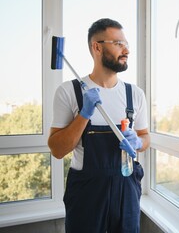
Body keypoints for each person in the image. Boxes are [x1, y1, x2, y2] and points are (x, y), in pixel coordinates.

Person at [48, 18, 150, 233]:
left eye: (127, 44)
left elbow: (145, 138)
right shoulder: (69, 91)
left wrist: (138, 141)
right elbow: (57, 150)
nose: (126, 51)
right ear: (97, 47)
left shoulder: (135, 94)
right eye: (118, 43)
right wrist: (84, 114)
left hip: (127, 187)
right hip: (87, 191)